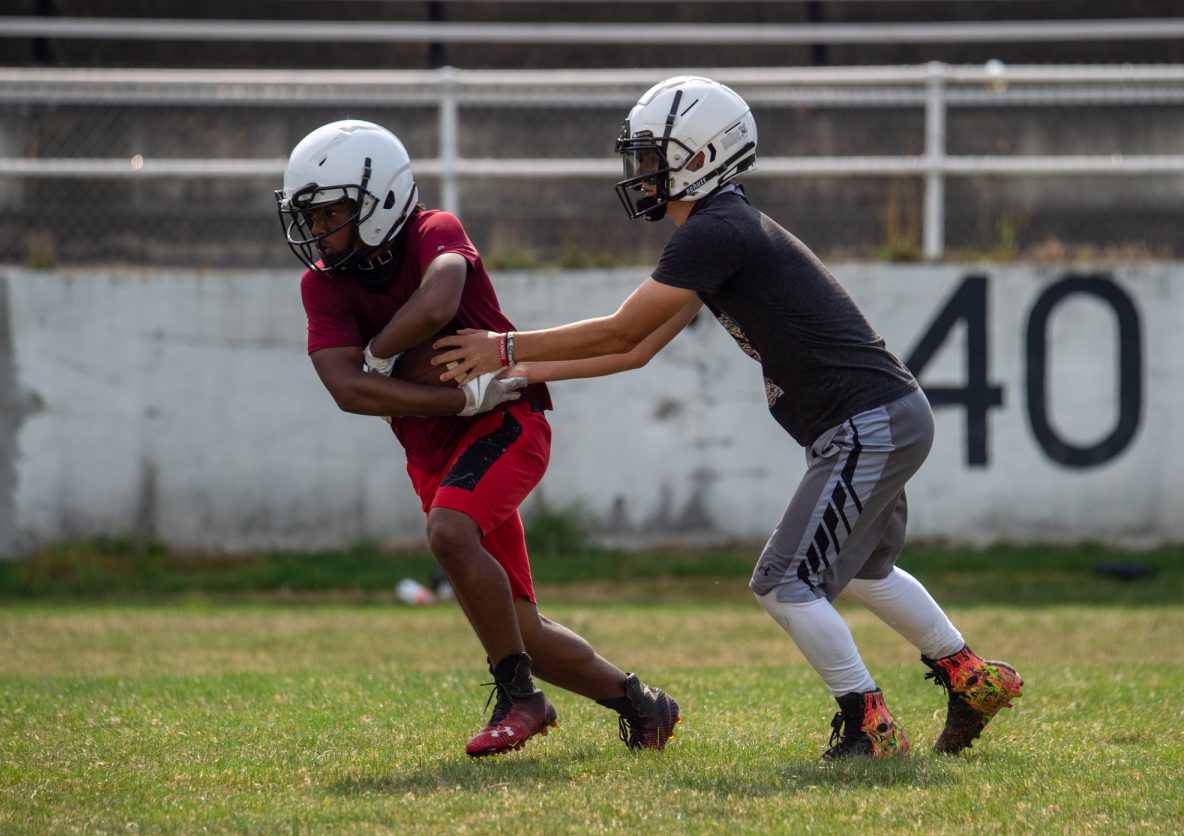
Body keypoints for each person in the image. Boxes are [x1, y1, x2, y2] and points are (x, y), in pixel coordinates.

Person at [431, 77, 1023, 760]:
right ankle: (972, 678)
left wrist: (505, 347)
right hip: (877, 418)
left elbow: (624, 327)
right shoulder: (724, 227)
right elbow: (637, 349)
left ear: (702, 156)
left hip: (868, 421)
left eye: (652, 156)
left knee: (784, 582)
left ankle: (870, 725)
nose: (641, 171)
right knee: (862, 569)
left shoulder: (716, 229)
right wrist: (522, 374)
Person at [275, 119, 680, 758]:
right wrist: (453, 398)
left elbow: (438, 304)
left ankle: (520, 699)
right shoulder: (321, 282)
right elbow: (347, 390)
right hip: (436, 446)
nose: (320, 231)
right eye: (312, 215)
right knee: (519, 628)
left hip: (508, 422)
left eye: (332, 212)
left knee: (448, 534)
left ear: (380, 199)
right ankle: (644, 705)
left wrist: (378, 357)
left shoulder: (433, 230)